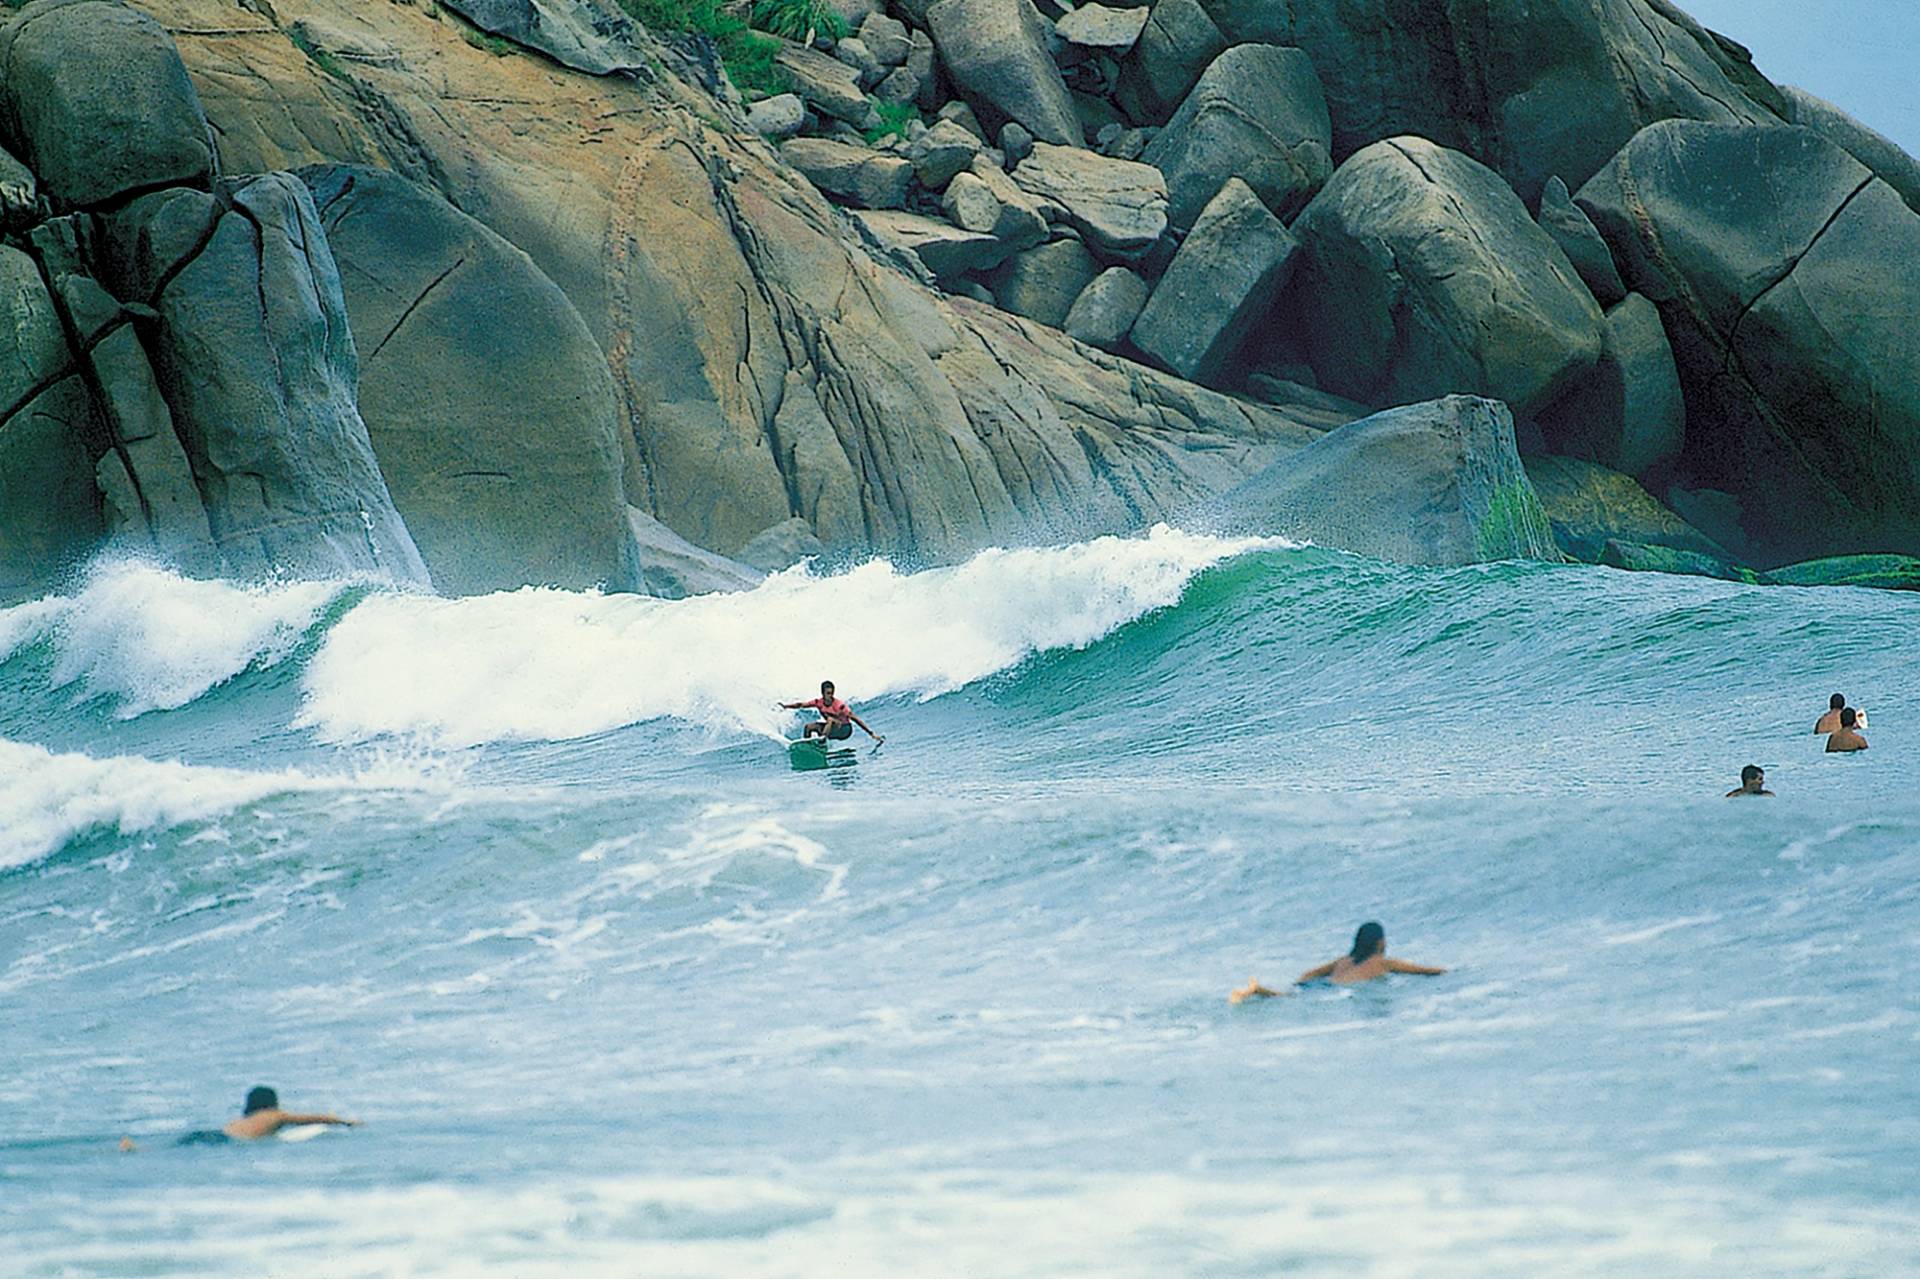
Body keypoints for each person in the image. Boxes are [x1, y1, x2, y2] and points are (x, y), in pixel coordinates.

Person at [1229, 921, 1446, 1002]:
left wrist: (1300, 983)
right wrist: (1450, 972)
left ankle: (1258, 990)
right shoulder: (1383, 963)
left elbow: (1308, 974)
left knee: (1289, 996)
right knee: (1287, 1000)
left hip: (1318, 984)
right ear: (1380, 942)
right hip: (1332, 991)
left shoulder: (1345, 960)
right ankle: (1258, 990)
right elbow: (1424, 971)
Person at [176, 1086, 358, 1144]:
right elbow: (313, 1118)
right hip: (228, 1141)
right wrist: (346, 1122)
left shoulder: (244, 1120)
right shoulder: (274, 1115)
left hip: (217, 1135)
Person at [781, 680, 883, 744]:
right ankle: (808, 747)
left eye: (832, 693)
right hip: (832, 728)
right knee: (809, 727)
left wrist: (872, 734)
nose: (831, 695)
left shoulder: (840, 706)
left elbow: (856, 719)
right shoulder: (818, 702)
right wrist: (786, 706)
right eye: (828, 693)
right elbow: (801, 705)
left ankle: (822, 743)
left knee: (829, 719)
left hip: (844, 730)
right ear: (823, 693)